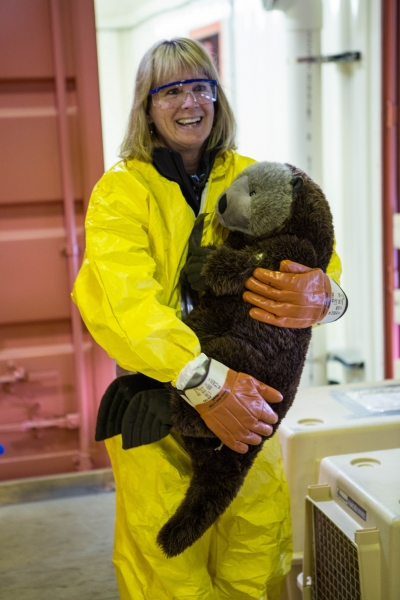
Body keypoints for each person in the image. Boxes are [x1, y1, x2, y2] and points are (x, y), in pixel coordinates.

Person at [72, 37, 346, 600]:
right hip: (157, 403)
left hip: (250, 400)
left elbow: (318, 257)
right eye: (170, 89)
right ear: (147, 106)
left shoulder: (257, 177)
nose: (189, 100)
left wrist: (331, 298)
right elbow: (126, 304)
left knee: (253, 547)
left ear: (217, 98)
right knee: (169, 568)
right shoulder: (120, 194)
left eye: (201, 85)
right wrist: (203, 381)